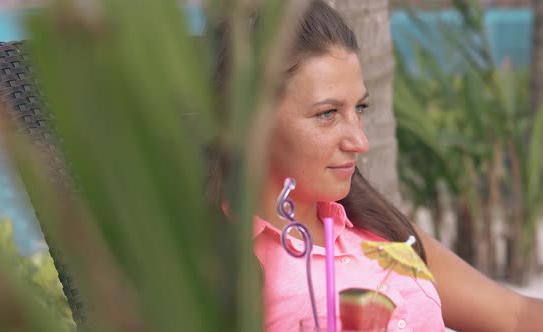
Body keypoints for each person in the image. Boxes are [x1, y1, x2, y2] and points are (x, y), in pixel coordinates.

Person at [207, 1, 543, 331]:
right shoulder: (215, 269)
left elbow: (515, 318)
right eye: (327, 114)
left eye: (360, 108)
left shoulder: (383, 232)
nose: (360, 142)